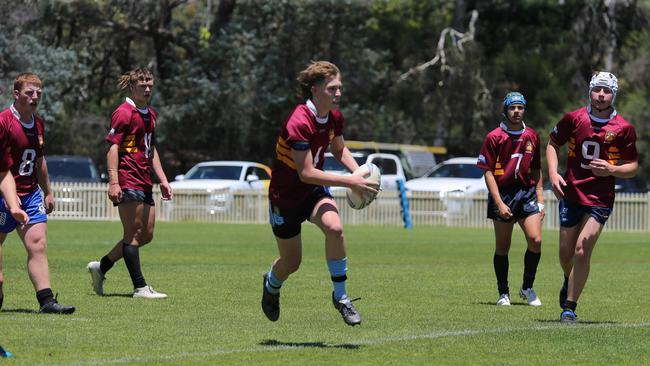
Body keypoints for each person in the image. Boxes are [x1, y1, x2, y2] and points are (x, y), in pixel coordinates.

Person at [261, 61, 378, 326]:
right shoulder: (299, 121)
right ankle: (271, 284)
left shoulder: (334, 117)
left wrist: (361, 173)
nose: (338, 93)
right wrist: (350, 182)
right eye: (332, 88)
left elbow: (338, 150)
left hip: (313, 192)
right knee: (291, 263)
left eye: (340, 88)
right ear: (314, 90)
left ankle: (341, 297)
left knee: (335, 229)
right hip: (286, 197)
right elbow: (305, 172)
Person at [547, 72, 638, 323]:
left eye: (606, 91)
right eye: (597, 89)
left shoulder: (624, 128)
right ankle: (569, 280)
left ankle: (569, 307)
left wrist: (612, 170)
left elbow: (632, 166)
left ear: (614, 94)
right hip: (572, 191)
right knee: (565, 254)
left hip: (601, 197)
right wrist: (554, 174)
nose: (601, 95)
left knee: (582, 248)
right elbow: (553, 143)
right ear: (590, 91)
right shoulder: (574, 118)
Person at [87, 67, 173, 299]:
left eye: (150, 85)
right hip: (127, 178)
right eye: (142, 85)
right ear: (132, 86)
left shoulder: (150, 114)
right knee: (134, 233)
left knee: (146, 235)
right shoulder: (124, 113)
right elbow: (112, 148)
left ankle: (101, 267)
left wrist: (163, 179)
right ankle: (140, 287)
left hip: (144, 180)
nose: (147, 88)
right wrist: (114, 182)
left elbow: (150, 149)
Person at [0, 73, 74, 314]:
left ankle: (47, 301)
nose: (35, 97)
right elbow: (2, 171)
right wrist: (11, 204)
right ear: (16, 94)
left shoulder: (38, 124)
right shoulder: (3, 122)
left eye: (38, 93)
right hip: (3, 195)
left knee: (38, 244)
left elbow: (39, 160)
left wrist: (48, 191)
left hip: (30, 194)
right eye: (29, 92)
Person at [477, 92, 544, 307]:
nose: (516, 111)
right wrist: (499, 202)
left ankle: (527, 287)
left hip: (526, 194)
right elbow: (487, 172)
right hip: (503, 194)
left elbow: (536, 169)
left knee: (536, 240)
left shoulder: (532, 136)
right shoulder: (494, 137)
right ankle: (503, 292)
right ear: (505, 110)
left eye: (520, 107)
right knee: (503, 247)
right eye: (512, 107)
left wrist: (541, 200)